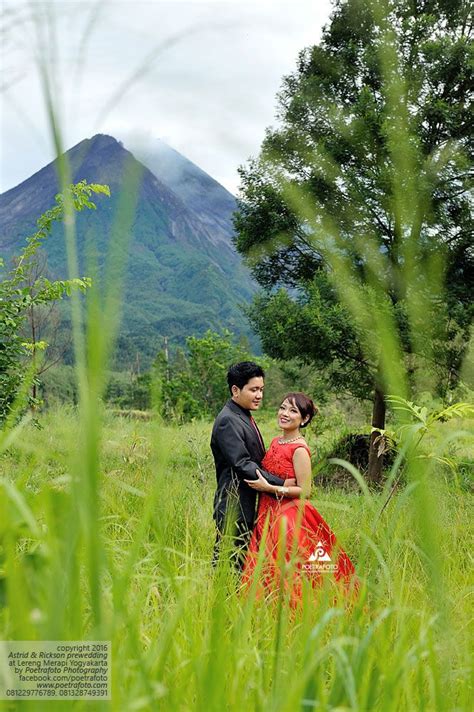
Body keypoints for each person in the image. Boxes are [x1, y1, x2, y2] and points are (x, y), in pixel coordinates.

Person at [242, 392, 357, 602]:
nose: (285, 414)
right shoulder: (277, 441)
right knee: (267, 564)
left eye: (293, 411)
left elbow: (305, 490)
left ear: (304, 420)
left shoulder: (300, 449)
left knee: (290, 567)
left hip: (287, 515)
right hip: (267, 511)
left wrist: (269, 488)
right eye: (283, 407)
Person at [211, 362, 294, 568]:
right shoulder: (228, 420)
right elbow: (243, 463)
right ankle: (218, 599)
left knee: (242, 562)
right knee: (229, 562)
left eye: (261, 390)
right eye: (254, 390)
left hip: (248, 501)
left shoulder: (243, 414)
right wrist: (283, 483)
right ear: (235, 390)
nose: (259, 395)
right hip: (234, 503)